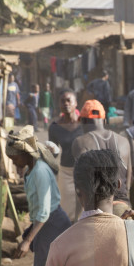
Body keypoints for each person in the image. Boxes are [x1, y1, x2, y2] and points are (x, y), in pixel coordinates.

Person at [7, 125, 71, 266]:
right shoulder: (30, 170)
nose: (13, 161)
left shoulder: (41, 172)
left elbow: (43, 212)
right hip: (44, 223)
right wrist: (28, 233)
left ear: (26, 154)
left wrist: (27, 240)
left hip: (52, 224)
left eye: (15, 157)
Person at [71, 100, 134, 216]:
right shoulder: (124, 141)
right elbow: (128, 184)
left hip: (97, 212)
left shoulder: (80, 142)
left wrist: (77, 219)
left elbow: (81, 185)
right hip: (124, 208)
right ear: (104, 121)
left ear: (83, 121)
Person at [48, 90, 84, 221]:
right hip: (66, 172)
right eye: (62, 101)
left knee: (84, 211)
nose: (66, 103)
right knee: (66, 211)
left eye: (69, 100)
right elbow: (53, 153)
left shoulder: (84, 124)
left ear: (76, 103)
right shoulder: (54, 127)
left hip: (84, 171)